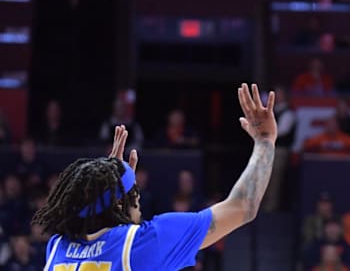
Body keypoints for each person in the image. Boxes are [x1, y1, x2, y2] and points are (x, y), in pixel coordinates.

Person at [32, 83, 277, 270]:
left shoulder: (57, 248)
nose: (139, 200)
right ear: (120, 204)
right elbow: (242, 206)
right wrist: (265, 142)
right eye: (134, 192)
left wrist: (109, 182)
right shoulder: (144, 243)